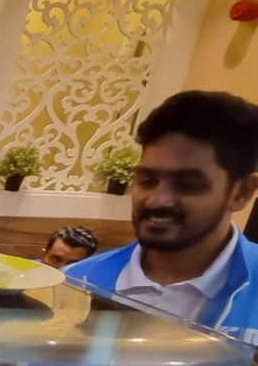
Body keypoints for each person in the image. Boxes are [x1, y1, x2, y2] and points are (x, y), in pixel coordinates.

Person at [66, 91, 258, 344]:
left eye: (187, 185)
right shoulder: (75, 283)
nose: (157, 200)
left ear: (241, 192)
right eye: (147, 181)